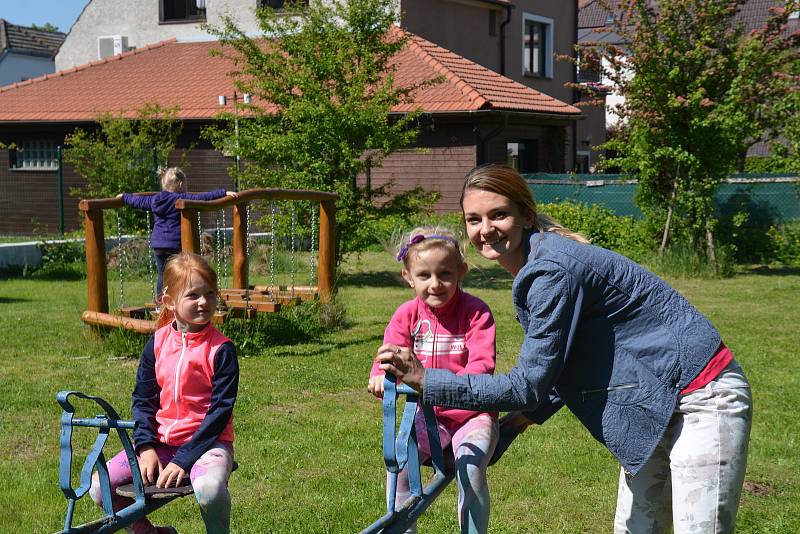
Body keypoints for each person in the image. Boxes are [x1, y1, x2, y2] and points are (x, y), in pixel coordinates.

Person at [377, 164, 753, 534]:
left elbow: (527, 386)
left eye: (499, 215)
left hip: (704, 394)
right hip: (655, 397)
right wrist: (519, 421)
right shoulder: (540, 263)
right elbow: (562, 360)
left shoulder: (551, 271)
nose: (486, 229)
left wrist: (428, 380)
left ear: (526, 215)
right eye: (474, 219)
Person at [89, 252, 239, 534]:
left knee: (209, 489)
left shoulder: (221, 350)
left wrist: (185, 459)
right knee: (99, 488)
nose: (204, 302)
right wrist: (145, 447)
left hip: (208, 444)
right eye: (193, 295)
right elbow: (143, 401)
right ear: (169, 301)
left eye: (210, 293)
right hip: (160, 444)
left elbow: (220, 412)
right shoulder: (156, 344)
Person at [368, 226, 499, 534]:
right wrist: (379, 374)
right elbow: (390, 354)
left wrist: (447, 389)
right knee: (399, 465)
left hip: (472, 416)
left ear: (461, 272)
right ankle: (403, 529)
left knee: (470, 466)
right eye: (424, 275)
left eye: (445, 274)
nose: (435, 284)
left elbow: (482, 365)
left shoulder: (476, 313)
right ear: (408, 277)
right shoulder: (406, 315)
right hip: (427, 417)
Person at [117, 167, 237, 302]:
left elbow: (137, 201)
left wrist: (124, 196)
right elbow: (203, 198)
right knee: (180, 273)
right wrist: (224, 192)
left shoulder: (155, 199)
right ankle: (179, 299)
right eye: (186, 183)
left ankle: (160, 302)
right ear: (180, 184)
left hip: (158, 245)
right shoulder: (180, 198)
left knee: (163, 274)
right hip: (174, 244)